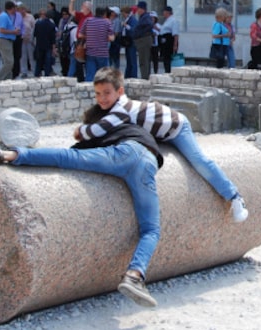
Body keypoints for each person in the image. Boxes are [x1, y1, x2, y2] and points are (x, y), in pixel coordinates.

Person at [0, 67, 164, 308]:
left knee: (65, 158)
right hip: (145, 162)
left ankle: (7, 155)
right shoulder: (126, 124)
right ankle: (134, 276)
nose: (102, 98)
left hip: (123, 154)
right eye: (98, 94)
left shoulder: (105, 129)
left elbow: (69, 155)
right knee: (151, 229)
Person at [82, 70, 248, 222]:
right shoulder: (113, 112)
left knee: (198, 161)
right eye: (98, 94)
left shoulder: (120, 110)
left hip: (177, 128)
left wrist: (79, 133)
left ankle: (234, 196)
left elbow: (94, 131)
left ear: (119, 92)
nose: (102, 98)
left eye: (106, 93)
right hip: (158, 134)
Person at [83, 6, 114, 81]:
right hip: (102, 52)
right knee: (103, 76)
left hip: (90, 52)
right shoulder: (107, 22)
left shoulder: (88, 20)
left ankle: (88, 90)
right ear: (104, 14)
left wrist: (90, 36)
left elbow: (80, 34)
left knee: (90, 74)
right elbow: (111, 38)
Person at [0, 1, 20, 80]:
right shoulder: (4, 16)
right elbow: (2, 30)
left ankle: (7, 78)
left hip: (8, 41)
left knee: (8, 62)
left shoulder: (7, 16)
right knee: (9, 62)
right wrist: (14, 32)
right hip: (4, 40)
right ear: (12, 8)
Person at [131, 1, 154, 80]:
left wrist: (141, 33)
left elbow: (149, 25)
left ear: (142, 9)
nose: (138, 10)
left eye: (139, 9)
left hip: (144, 40)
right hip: (141, 40)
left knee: (144, 60)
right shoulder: (142, 17)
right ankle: (145, 76)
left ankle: (145, 77)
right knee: (143, 59)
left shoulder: (146, 17)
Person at [33, 8, 57, 77]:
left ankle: (37, 74)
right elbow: (53, 38)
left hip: (39, 45)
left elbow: (35, 34)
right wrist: (54, 48)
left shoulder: (38, 24)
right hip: (48, 46)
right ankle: (47, 75)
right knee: (47, 62)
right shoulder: (51, 25)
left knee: (39, 61)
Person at [158, 6, 180, 74]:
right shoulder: (167, 21)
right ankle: (167, 71)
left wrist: (175, 45)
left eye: (164, 12)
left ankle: (170, 72)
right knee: (165, 58)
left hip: (170, 41)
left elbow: (175, 34)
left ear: (168, 12)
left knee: (169, 58)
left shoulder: (173, 20)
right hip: (164, 41)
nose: (163, 13)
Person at [121, 6, 139, 79]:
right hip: (128, 42)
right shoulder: (128, 19)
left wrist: (126, 25)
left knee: (132, 60)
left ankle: (133, 76)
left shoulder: (133, 20)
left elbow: (133, 30)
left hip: (131, 42)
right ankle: (128, 75)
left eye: (123, 14)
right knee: (129, 60)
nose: (123, 15)